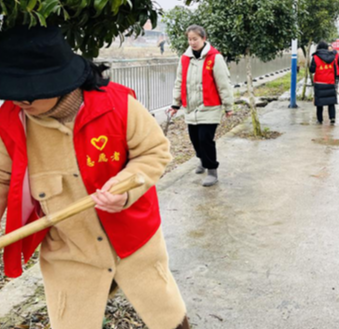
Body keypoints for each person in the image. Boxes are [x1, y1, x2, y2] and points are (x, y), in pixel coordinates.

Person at [0, 26, 189, 329]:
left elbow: (155, 152)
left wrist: (126, 188)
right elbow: (1, 178)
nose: (21, 102)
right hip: (69, 247)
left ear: (60, 81)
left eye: (29, 92)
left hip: (133, 237)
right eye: (13, 92)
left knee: (167, 316)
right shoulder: (11, 120)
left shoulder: (118, 104)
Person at [169, 25, 234, 187]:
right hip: (191, 107)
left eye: (195, 39)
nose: (192, 42)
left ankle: (212, 170)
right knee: (195, 139)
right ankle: (203, 161)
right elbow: (179, 82)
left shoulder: (215, 57)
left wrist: (228, 106)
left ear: (204, 39)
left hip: (210, 106)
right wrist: (175, 104)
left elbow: (223, 83)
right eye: (190, 39)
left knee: (205, 139)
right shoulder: (184, 59)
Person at [310, 41, 339, 124]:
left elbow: (312, 70)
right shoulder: (332, 56)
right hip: (330, 81)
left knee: (319, 102)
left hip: (319, 82)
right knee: (331, 101)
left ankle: (320, 119)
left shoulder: (315, 57)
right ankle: (332, 118)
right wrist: (335, 80)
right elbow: (335, 70)